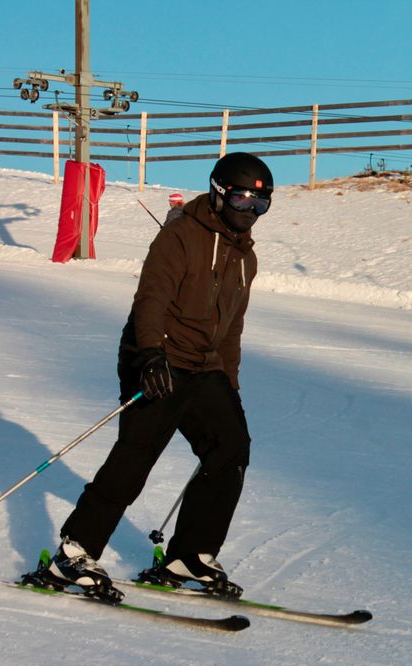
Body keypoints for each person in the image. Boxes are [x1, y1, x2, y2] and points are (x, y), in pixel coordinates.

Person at [41, 152, 274, 602]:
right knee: (137, 455)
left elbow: (231, 328)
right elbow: (151, 298)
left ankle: (190, 554)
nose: (251, 213)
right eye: (244, 201)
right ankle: (74, 555)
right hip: (157, 358)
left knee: (230, 449)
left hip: (205, 367)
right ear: (220, 193)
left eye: (261, 206)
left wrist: (230, 382)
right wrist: (150, 355)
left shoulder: (246, 258)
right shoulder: (181, 236)